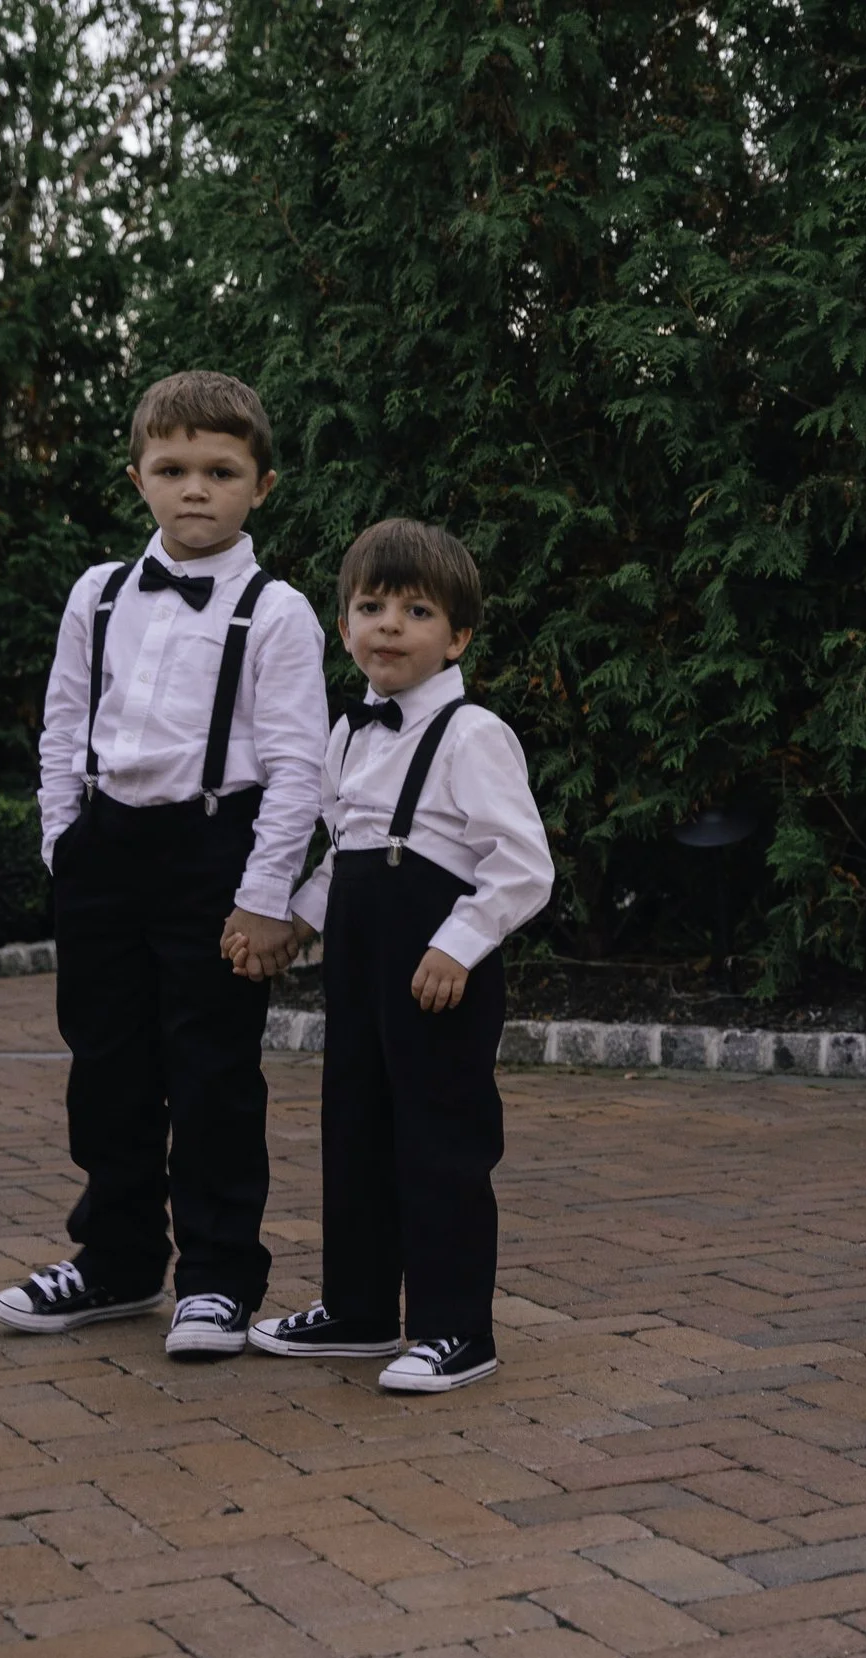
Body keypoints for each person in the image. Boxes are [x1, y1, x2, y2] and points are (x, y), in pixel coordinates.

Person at [0, 371, 328, 1357]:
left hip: (215, 854)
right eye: (172, 468)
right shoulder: (96, 594)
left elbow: (300, 764)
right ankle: (115, 1261)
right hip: (105, 851)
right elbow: (62, 720)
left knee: (213, 1071)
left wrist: (267, 895)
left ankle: (218, 1278)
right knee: (107, 1067)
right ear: (138, 476)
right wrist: (63, 838)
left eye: (219, 471)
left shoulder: (278, 612)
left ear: (260, 485)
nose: (194, 489)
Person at [237, 520, 552, 1392]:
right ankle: (360, 1307)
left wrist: (458, 943)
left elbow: (523, 865)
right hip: (361, 966)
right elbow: (345, 855)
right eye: (370, 606)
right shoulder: (349, 735)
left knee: (440, 1141)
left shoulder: (472, 733)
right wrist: (297, 921)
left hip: (438, 973)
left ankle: (457, 1328)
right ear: (344, 629)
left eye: (416, 610)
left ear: (457, 637)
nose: (388, 624)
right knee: (357, 1128)